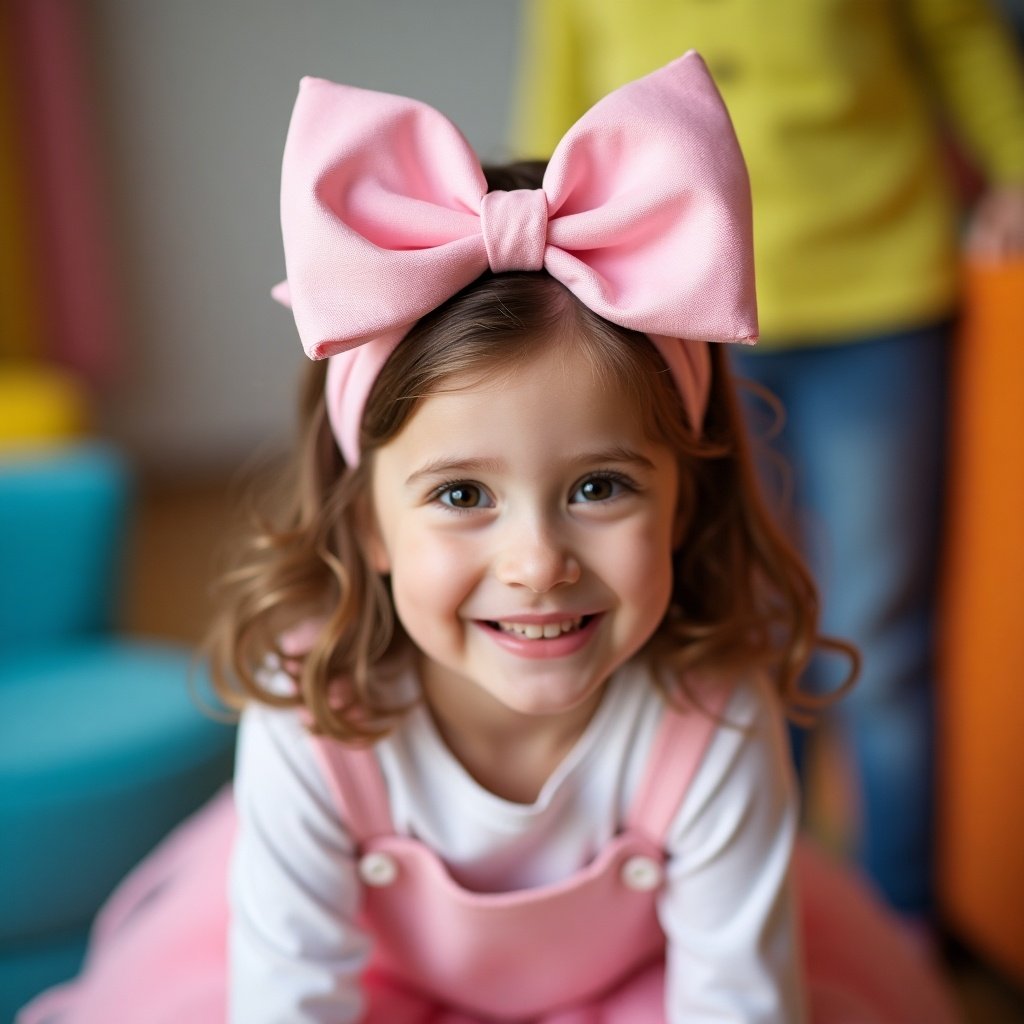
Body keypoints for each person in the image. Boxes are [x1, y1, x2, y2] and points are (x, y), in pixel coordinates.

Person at [18, 55, 961, 1023]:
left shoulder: (712, 720)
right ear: (369, 520)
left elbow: (735, 1001)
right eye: (463, 492)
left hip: (632, 990)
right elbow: (290, 997)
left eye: (599, 486)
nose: (536, 563)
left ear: (683, 501)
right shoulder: (315, 719)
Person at [513, 0, 1024, 925]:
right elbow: (561, 107)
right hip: (676, 305)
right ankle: (758, 897)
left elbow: (959, 36)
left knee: (879, 632)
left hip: (876, 300)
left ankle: (902, 925)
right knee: (740, 621)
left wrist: (1018, 168)